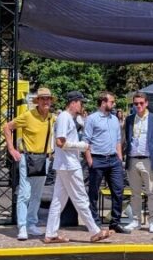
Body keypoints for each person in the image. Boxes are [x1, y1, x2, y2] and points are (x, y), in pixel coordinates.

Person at [44, 91, 113, 244]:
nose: (83, 105)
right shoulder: (65, 117)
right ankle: (95, 231)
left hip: (66, 164)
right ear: (73, 102)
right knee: (80, 197)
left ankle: (50, 233)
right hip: (69, 164)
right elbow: (60, 143)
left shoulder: (68, 118)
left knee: (58, 201)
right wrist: (81, 146)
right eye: (81, 102)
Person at [3, 88, 54, 240]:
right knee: (25, 193)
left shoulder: (52, 117)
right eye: (42, 98)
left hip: (44, 158)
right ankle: (23, 226)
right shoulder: (28, 115)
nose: (46, 101)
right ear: (37, 101)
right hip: (28, 157)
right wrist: (11, 149)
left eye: (48, 98)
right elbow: (7, 127)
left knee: (37, 195)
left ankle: (32, 223)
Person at [123, 91, 153, 233]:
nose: (138, 106)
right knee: (135, 193)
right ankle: (136, 220)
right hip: (133, 159)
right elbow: (126, 139)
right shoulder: (130, 119)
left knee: (151, 192)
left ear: (146, 103)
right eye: (136, 104)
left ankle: (152, 221)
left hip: (148, 159)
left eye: (141, 103)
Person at [84, 91, 127, 234]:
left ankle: (115, 222)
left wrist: (119, 158)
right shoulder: (92, 119)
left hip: (114, 159)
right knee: (93, 193)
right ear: (103, 102)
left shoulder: (114, 119)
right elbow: (86, 141)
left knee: (118, 190)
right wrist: (90, 160)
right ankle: (95, 222)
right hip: (97, 158)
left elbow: (117, 140)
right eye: (111, 102)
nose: (113, 104)